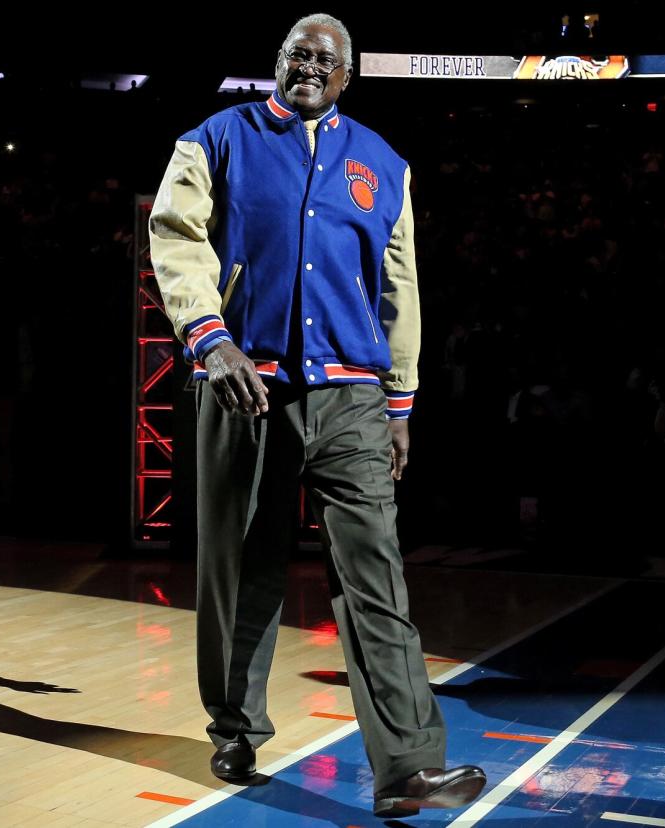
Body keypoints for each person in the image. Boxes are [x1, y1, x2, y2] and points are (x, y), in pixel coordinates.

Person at [148, 13, 486, 818]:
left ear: (347, 78)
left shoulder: (384, 164)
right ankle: (234, 727)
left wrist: (400, 403)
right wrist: (207, 336)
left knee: (376, 573)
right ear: (276, 64)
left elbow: (400, 292)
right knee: (242, 567)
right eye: (296, 53)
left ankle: (407, 765)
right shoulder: (215, 137)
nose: (308, 65)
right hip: (246, 387)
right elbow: (175, 234)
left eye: (325, 59)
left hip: (354, 400)